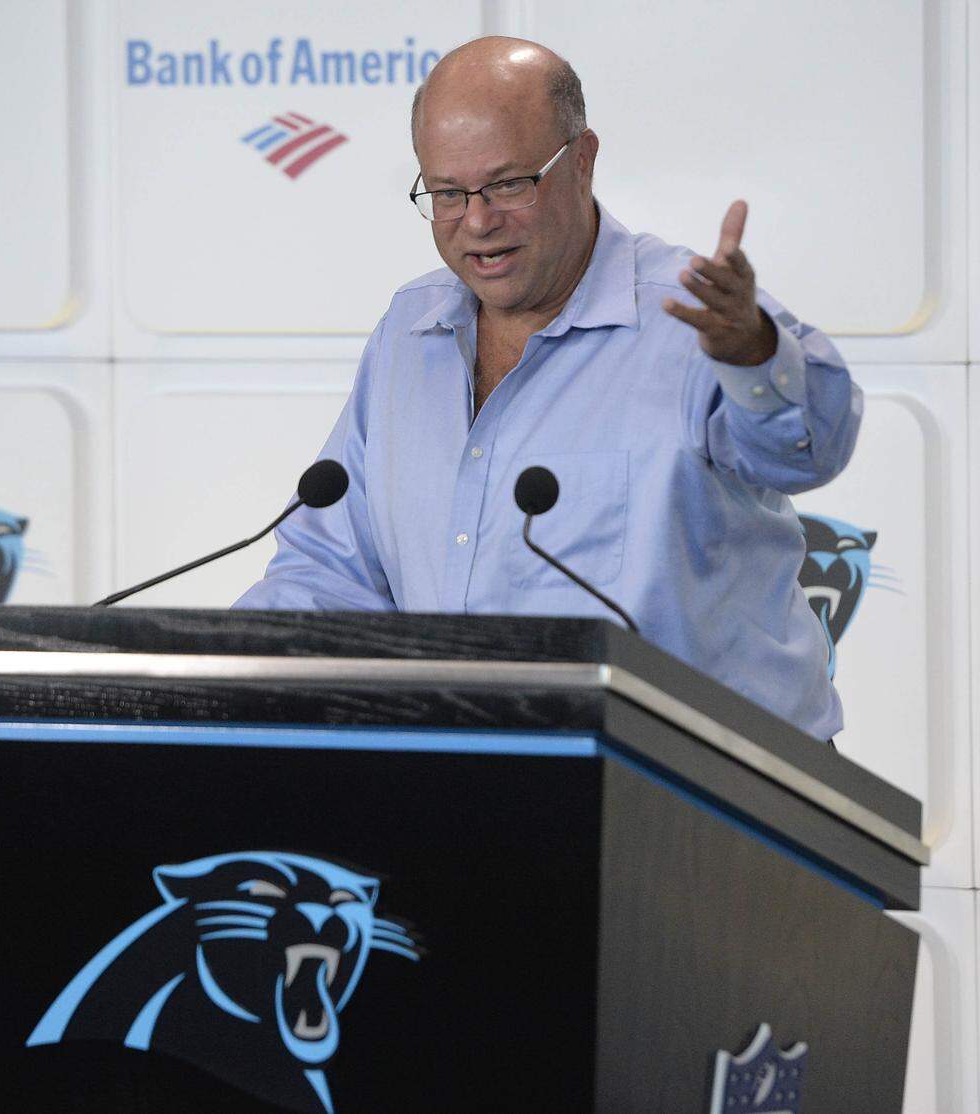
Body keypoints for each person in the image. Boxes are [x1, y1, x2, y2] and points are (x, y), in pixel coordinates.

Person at [236, 36, 861, 742]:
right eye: (447, 193)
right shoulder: (408, 332)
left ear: (583, 160)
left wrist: (753, 354)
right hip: (488, 778)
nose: (477, 221)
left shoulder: (693, 316)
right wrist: (214, 678)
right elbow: (330, 567)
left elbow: (808, 451)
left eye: (508, 184)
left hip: (710, 795)